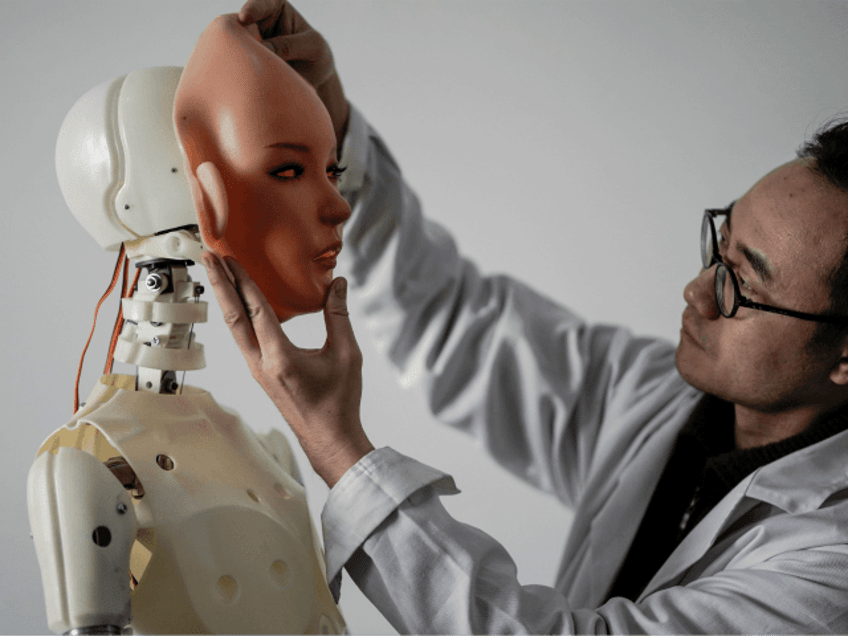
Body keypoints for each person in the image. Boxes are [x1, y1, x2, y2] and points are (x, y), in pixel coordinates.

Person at [201, 1, 848, 632]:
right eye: (719, 243)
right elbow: (460, 325)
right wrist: (335, 133)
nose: (696, 292)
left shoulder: (831, 567)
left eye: (740, 283)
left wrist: (337, 448)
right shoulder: (661, 397)